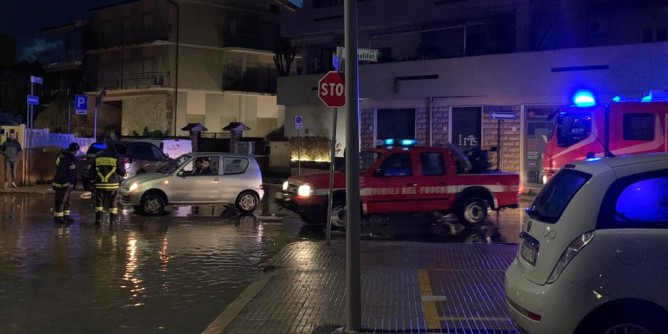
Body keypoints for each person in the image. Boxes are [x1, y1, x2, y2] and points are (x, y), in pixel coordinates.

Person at [89, 139, 126, 225]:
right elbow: (121, 171)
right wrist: (123, 174)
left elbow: (92, 171)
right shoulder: (116, 156)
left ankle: (98, 219)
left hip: (100, 184)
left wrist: (91, 180)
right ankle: (113, 220)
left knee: (99, 202)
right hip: (113, 184)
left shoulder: (98, 156)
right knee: (113, 202)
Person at [52, 142, 79, 224]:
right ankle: (58, 217)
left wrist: (72, 183)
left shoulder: (71, 157)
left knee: (67, 201)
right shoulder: (65, 158)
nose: (75, 153)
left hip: (68, 183)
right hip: (61, 184)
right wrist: (66, 183)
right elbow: (62, 172)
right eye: (74, 151)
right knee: (60, 201)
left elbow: (73, 171)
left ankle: (66, 216)